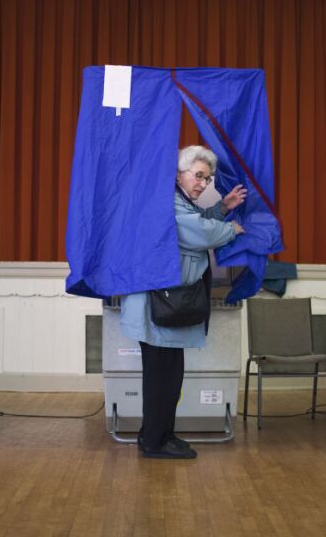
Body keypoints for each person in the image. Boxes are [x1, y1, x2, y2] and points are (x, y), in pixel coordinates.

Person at [120, 145, 247, 459]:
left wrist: (223, 207)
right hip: (159, 307)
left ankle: (158, 434)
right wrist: (230, 228)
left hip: (166, 306)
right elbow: (199, 231)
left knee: (167, 374)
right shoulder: (167, 203)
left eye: (207, 179)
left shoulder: (176, 200)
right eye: (199, 176)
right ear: (179, 173)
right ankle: (154, 442)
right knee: (162, 375)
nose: (203, 184)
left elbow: (199, 218)